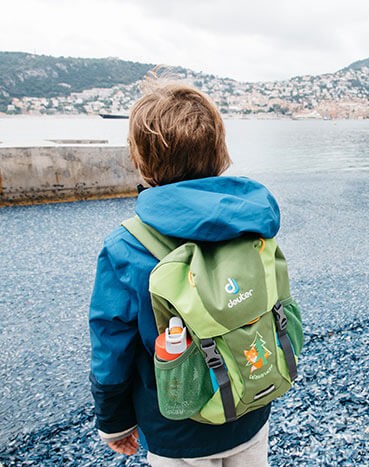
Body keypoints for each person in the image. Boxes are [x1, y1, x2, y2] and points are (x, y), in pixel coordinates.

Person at [88, 78, 280, 465]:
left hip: (175, 425)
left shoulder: (127, 247)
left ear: (140, 157)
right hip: (252, 400)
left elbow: (111, 342)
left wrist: (115, 421)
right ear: (219, 149)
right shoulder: (251, 222)